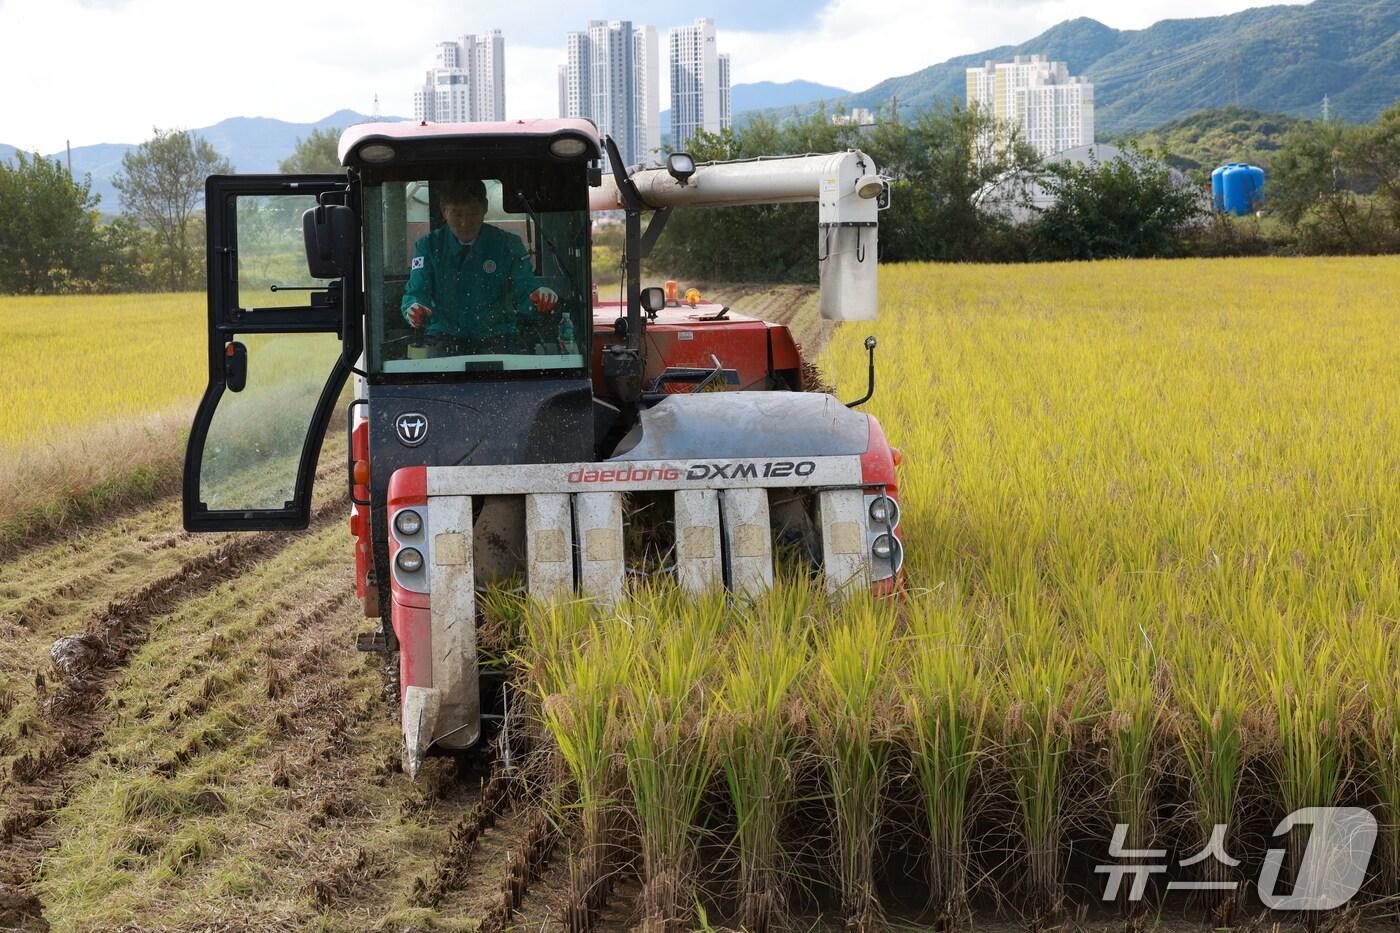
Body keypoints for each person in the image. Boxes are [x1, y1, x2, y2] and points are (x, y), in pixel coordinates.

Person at [400, 176, 559, 351]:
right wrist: (414, 308)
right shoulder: (428, 246)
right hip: (444, 341)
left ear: (485, 208)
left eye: (472, 212)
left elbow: (526, 287)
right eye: (457, 213)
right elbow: (417, 291)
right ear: (444, 211)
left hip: (499, 340)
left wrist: (538, 297)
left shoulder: (508, 245)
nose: (464, 222)